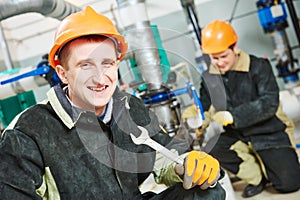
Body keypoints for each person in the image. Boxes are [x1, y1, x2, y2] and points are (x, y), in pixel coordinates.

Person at [0, 7, 226, 200]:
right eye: (85, 65)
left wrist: (186, 164)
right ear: (62, 74)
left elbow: (159, 154)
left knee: (208, 192)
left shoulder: (130, 108)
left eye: (107, 63)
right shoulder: (27, 131)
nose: (100, 78)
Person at [198, 20, 300, 198]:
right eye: (214, 58)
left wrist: (233, 115)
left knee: (290, 184)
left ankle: (269, 165)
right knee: (211, 147)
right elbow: (205, 106)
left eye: (223, 56)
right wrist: (197, 118)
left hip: (268, 132)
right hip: (238, 135)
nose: (219, 62)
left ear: (234, 47)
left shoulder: (259, 66)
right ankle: (256, 177)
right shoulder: (209, 77)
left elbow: (269, 103)